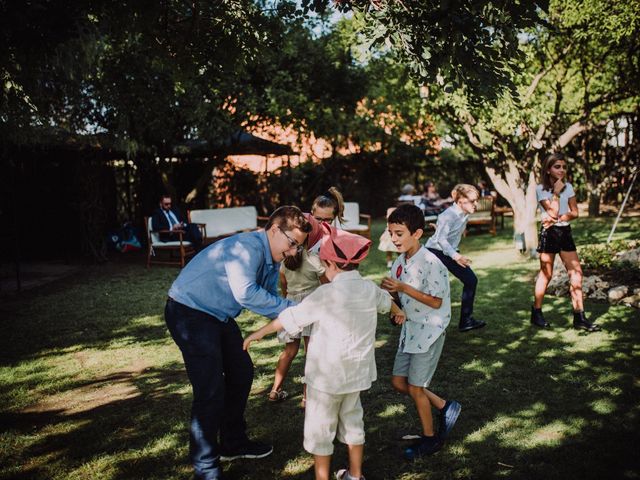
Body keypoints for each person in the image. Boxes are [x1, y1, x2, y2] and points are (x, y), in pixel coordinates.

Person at [244, 226, 406, 480]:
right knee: (353, 422)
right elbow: (388, 303)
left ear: (331, 263)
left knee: (321, 429)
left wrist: (259, 333)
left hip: (325, 379)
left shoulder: (325, 294)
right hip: (357, 375)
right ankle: (355, 474)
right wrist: (399, 311)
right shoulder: (369, 289)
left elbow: (290, 318)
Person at [164, 206, 312, 480]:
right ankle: (206, 467)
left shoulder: (271, 255)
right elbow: (246, 293)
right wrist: (294, 309)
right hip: (189, 311)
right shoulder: (248, 247)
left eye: (297, 248)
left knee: (241, 372)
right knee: (210, 390)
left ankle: (232, 442)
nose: (293, 253)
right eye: (292, 244)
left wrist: (291, 314)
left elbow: (266, 294)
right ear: (275, 230)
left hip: (216, 315)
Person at [381, 204, 461, 459]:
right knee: (398, 382)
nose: (394, 239)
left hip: (430, 329)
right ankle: (445, 406)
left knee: (416, 388)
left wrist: (402, 288)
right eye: (391, 233)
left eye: (399, 233)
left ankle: (430, 440)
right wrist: (394, 304)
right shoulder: (399, 263)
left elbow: (436, 301)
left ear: (416, 233)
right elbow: (397, 297)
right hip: (411, 329)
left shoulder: (431, 262)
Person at [267, 187, 344, 404]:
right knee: (311, 353)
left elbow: (283, 280)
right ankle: (306, 397)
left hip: (292, 303)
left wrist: (287, 298)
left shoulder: (296, 254)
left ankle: (276, 390)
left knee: (291, 351)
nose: (322, 224)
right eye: (318, 218)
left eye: (327, 220)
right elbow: (325, 281)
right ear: (310, 214)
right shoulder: (304, 245)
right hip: (309, 304)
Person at [531, 152, 601, 332]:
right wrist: (556, 192)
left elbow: (575, 212)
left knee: (576, 273)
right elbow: (552, 212)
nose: (561, 170)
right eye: (557, 167)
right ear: (548, 170)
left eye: (563, 167)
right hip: (549, 233)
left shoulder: (568, 186)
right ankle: (536, 312)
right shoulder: (541, 189)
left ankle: (579, 317)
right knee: (546, 274)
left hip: (565, 231)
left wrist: (561, 216)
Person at [425, 184, 487, 332]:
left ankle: (466, 321)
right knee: (430, 287)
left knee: (470, 280)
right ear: (460, 201)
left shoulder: (464, 213)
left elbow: (445, 234)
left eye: (476, 200)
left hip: (448, 251)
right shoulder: (448, 215)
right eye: (472, 201)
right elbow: (441, 240)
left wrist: (439, 229)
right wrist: (456, 256)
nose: (476, 204)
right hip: (436, 251)